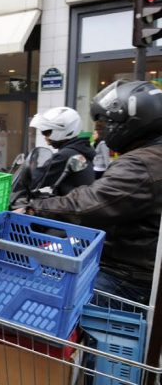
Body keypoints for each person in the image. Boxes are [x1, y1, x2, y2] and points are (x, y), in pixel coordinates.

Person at [21, 80, 162, 304]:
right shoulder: (151, 155)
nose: (101, 133)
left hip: (126, 276)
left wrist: (33, 208)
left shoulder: (141, 163)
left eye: (104, 124)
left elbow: (91, 204)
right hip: (137, 265)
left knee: (39, 292)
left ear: (128, 122)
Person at [28, 107, 95, 196]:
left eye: (47, 132)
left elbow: (34, 179)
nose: (45, 137)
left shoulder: (65, 155)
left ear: (64, 130)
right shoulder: (81, 149)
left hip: (71, 207)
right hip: (77, 204)